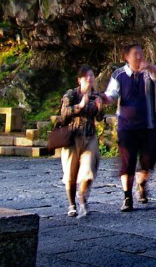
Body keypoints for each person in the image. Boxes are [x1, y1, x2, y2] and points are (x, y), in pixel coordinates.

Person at [101, 43, 156, 212]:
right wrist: (102, 99)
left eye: (141, 54)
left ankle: (141, 184)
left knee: (148, 161)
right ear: (126, 57)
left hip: (149, 125)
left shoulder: (147, 74)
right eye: (135, 54)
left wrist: (149, 66)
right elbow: (111, 94)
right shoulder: (119, 75)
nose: (139, 57)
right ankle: (127, 197)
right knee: (127, 163)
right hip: (127, 127)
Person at [59, 65, 103, 218]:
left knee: (89, 169)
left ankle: (82, 195)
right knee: (71, 174)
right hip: (71, 137)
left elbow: (99, 118)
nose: (89, 79)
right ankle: (72, 204)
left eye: (91, 76)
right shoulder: (71, 94)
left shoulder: (95, 95)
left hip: (90, 136)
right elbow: (63, 115)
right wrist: (80, 106)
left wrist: (100, 107)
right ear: (79, 80)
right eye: (86, 77)